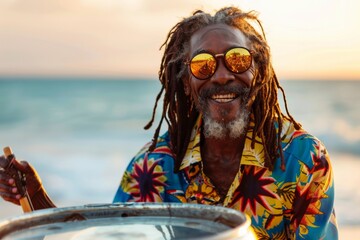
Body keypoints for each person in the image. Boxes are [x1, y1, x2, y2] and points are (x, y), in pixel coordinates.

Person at [0, 6, 338, 239]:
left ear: (257, 71)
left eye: (237, 60)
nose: (221, 76)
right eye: (203, 65)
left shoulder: (305, 161)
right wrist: (37, 198)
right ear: (186, 82)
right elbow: (108, 237)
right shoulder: (153, 167)